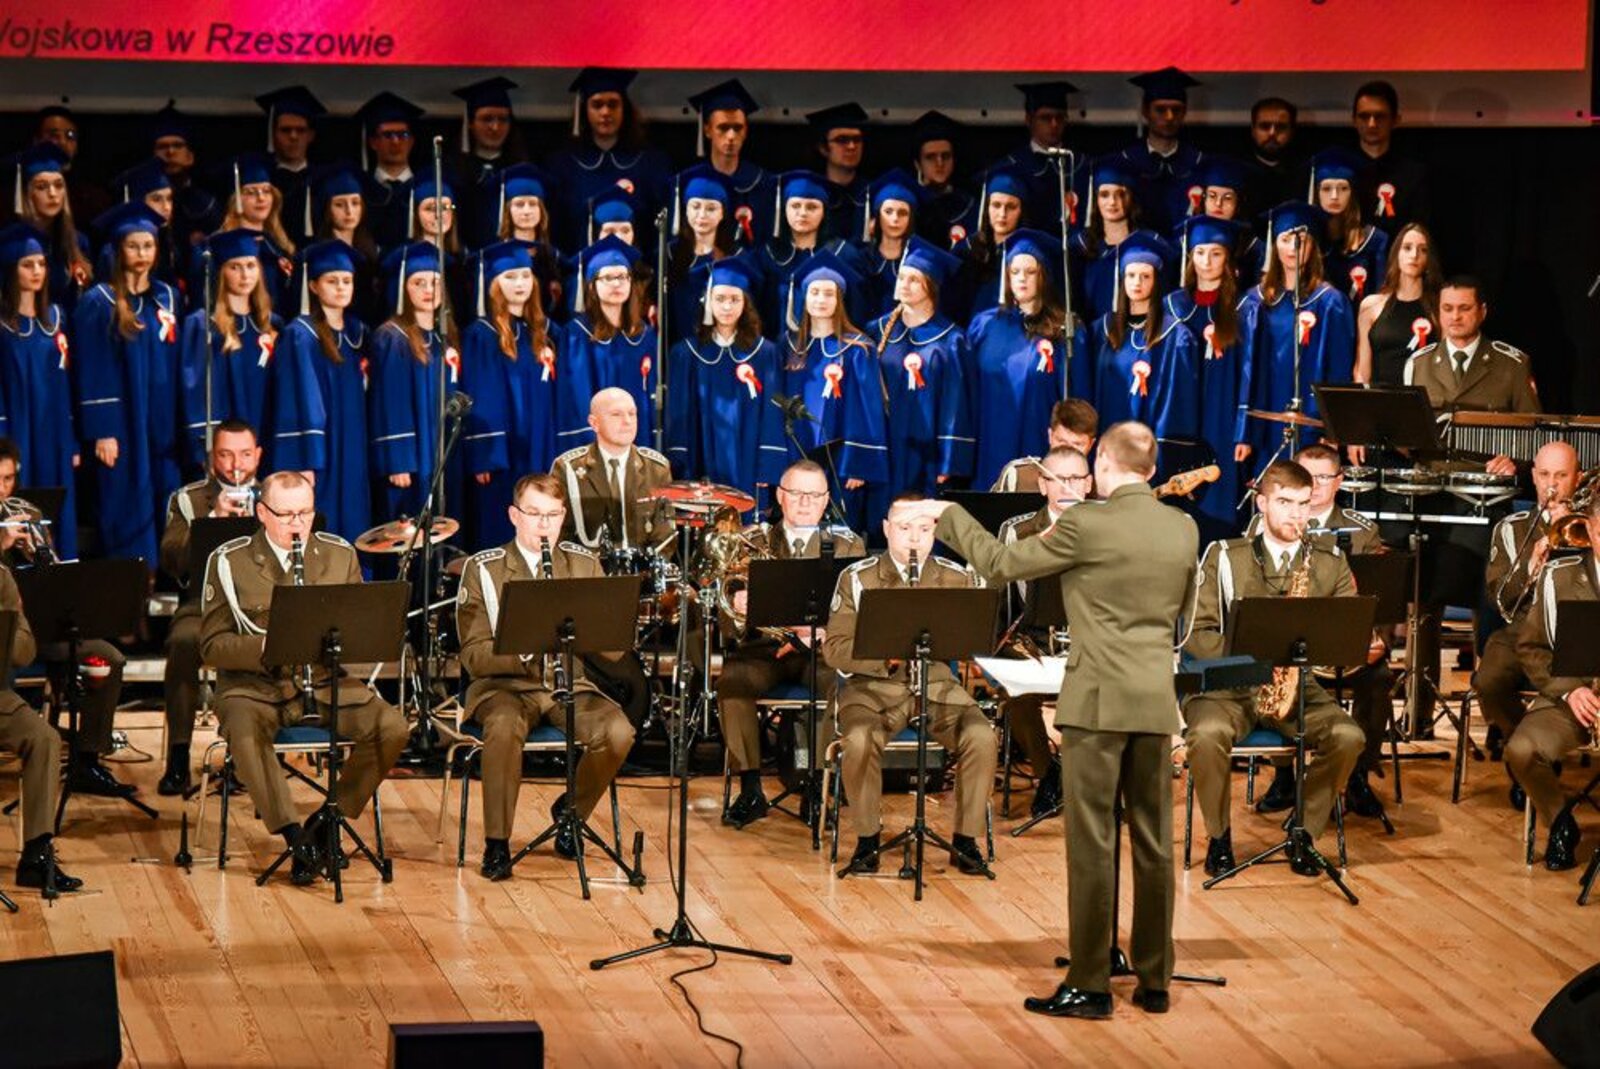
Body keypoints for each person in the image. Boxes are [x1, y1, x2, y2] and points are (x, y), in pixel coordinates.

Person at [915, 421, 1196, 1018]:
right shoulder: (1183, 527)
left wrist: (950, 516)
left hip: (1098, 700)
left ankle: (1091, 982)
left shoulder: (1087, 524)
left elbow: (1000, 562)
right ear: (1151, 469)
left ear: (1103, 465)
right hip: (1154, 699)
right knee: (1153, 842)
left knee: (1092, 841)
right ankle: (1154, 978)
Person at [199, 471, 409, 884]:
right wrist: (268, 646)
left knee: (393, 727)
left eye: (306, 513)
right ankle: (295, 838)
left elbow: (358, 631)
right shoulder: (229, 561)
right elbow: (210, 647)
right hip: (254, 687)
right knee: (244, 732)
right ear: (262, 512)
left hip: (325, 682)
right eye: (286, 514)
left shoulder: (338, 555)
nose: (298, 524)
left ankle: (327, 822)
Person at [1183, 460, 1366, 878]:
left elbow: (1343, 636)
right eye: (1285, 502)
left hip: (1298, 687)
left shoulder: (1329, 562)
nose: (1296, 515)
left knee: (1349, 736)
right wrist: (1252, 661)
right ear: (1262, 503)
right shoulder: (1224, 556)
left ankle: (1303, 830)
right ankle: (1219, 835)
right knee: (1207, 735)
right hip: (1227, 687)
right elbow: (1197, 634)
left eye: (1303, 504)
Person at [455, 472, 637, 877]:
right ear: (513, 516)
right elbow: (473, 655)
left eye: (553, 515)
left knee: (618, 732)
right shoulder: (484, 569)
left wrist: (612, 621)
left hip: (568, 684)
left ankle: (571, 811)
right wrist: (523, 647)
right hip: (504, 686)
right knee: (503, 728)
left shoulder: (583, 563)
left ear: (563, 516)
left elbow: (613, 647)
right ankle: (497, 843)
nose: (544, 525)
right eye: (534, 514)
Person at [825, 493, 997, 877]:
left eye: (924, 529)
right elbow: (834, 648)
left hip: (936, 687)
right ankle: (868, 838)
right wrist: (884, 657)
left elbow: (973, 639)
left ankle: (965, 840)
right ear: (886, 529)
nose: (914, 538)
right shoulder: (857, 577)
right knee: (859, 740)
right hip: (872, 689)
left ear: (936, 531)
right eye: (904, 528)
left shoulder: (956, 577)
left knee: (981, 736)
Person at [1402, 276, 1539, 732]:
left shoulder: (1511, 363)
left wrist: (1514, 460)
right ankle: (1418, 711)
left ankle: (1492, 709)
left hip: (1487, 502)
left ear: (1482, 311)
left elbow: (1532, 431)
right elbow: (1409, 435)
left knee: (1488, 601)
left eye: (1464, 308)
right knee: (1423, 599)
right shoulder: (1419, 362)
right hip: (1432, 498)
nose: (1455, 317)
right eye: (1447, 309)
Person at [1243, 444, 1393, 816]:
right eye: (1307, 476)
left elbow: (1374, 601)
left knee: (1379, 679)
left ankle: (1357, 773)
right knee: (1269, 676)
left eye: (1324, 477)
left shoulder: (1363, 531)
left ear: (1339, 481)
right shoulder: (1262, 525)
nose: (1314, 485)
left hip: (1337, 643)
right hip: (1282, 644)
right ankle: (1283, 775)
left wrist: (1369, 640)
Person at [717, 460, 865, 826]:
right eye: (796, 493)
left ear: (826, 500)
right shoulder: (752, 540)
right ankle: (750, 787)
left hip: (821, 650)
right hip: (764, 650)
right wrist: (738, 602)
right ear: (780, 496)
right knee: (732, 684)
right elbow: (725, 605)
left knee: (842, 686)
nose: (805, 502)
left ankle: (818, 786)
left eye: (814, 495)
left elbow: (857, 609)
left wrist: (823, 633)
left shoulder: (847, 544)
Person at [0, 437, 133, 800]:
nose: (3, 489)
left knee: (108, 658)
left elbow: (56, 578)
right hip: (5, 634)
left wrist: (39, 553)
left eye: (9, 479)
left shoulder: (26, 511)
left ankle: (86, 760)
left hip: (40, 625)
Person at [157, 420, 261, 795]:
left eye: (245, 455)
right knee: (184, 642)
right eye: (226, 455)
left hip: (260, 609)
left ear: (258, 455)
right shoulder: (188, 499)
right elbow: (172, 561)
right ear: (212, 457)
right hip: (203, 604)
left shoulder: (275, 494)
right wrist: (212, 519)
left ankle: (250, 755)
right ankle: (178, 756)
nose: (236, 464)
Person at [76, 202, 183, 564]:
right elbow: (93, 367)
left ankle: (166, 577)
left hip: (161, 419)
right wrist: (103, 430)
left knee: (164, 496)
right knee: (125, 499)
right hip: (122, 423)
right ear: (119, 249)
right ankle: (133, 581)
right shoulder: (100, 301)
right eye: (134, 246)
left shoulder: (166, 297)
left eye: (148, 245)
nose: (142, 253)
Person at [1477, 441, 1581, 797]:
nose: (1552, 484)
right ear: (1533, 476)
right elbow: (1498, 598)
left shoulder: (1591, 524)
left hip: (1579, 628)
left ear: (1577, 478)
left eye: (1562, 475)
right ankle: (1523, 751)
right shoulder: (1511, 528)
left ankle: (1540, 748)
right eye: (1545, 474)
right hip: (1523, 627)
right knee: (1488, 681)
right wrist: (1529, 567)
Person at [994, 444, 1092, 818]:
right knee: (1015, 690)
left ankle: (1102, 782)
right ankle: (1048, 772)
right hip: (1034, 642)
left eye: (1075, 479)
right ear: (1042, 485)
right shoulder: (1016, 531)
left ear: (1089, 484)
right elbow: (1000, 602)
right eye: (1058, 479)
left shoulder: (1110, 528)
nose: (1067, 487)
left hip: (1092, 644)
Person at [1511, 488, 1600, 871]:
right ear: (1590, 530)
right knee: (1522, 750)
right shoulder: (1557, 576)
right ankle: (1560, 822)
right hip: (1571, 697)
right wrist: (1570, 691)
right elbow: (1531, 647)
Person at [265, 238, 371, 543]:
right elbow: (295, 400)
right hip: (320, 450)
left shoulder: (357, 333)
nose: (341, 288)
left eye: (347, 281)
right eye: (332, 281)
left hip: (352, 444)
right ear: (313, 285)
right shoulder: (301, 335)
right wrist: (304, 460)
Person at [774, 252, 887, 528]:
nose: (821, 300)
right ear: (804, 297)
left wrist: (858, 462)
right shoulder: (788, 346)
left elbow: (868, 411)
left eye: (828, 294)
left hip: (841, 459)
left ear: (839, 300)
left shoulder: (859, 348)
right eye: (815, 293)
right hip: (796, 448)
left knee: (838, 529)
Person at [462, 239, 562, 547]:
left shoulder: (543, 331)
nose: (520, 284)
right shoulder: (482, 334)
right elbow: (480, 396)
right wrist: (485, 455)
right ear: (494, 284)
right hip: (503, 453)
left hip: (539, 441)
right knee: (503, 522)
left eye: (525, 276)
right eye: (510, 277)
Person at [1239, 201, 1355, 461]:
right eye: (1285, 239)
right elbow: (1246, 369)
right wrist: (1244, 431)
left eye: (1301, 240)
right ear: (1274, 244)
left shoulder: (1330, 302)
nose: (1293, 247)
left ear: (1313, 246)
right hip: (1267, 414)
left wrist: (1333, 427)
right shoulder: (1256, 302)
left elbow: (1340, 368)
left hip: (1312, 418)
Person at [968, 229, 1084, 489]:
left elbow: (1078, 397)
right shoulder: (984, 326)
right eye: (1015, 271)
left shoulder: (1065, 330)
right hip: (990, 445)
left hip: (1040, 446)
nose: (1021, 278)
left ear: (1044, 275)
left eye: (1030, 272)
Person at [665, 255, 781, 497]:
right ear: (707, 301)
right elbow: (678, 414)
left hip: (748, 459)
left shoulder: (764, 353)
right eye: (719, 299)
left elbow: (772, 413)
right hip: (700, 456)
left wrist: (768, 465)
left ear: (745, 303)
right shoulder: (687, 353)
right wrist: (678, 461)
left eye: (735, 299)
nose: (727, 307)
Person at [868, 237, 972, 508]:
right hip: (886, 443)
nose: (904, 284)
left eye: (914, 279)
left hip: (928, 451)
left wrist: (949, 458)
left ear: (932, 285)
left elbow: (956, 404)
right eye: (902, 277)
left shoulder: (952, 340)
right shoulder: (876, 331)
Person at [0, 557, 82, 891]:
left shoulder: (2, 578)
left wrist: (10, 619)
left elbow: (24, 652)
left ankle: (36, 856)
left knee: (44, 738)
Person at [0, 222, 79, 559]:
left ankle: (59, 564)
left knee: (58, 501)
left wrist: (72, 440)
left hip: (54, 429)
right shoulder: (4, 326)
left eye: (41, 264)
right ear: (11, 269)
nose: (36, 271)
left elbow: (66, 383)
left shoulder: (56, 318)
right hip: (20, 426)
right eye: (27, 264)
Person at [1167, 214, 1249, 540]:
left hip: (1222, 411)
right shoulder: (1173, 306)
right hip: (1182, 412)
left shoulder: (1242, 308)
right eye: (1200, 253)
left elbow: (1247, 368)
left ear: (1227, 258)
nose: (1207, 261)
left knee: (1219, 488)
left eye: (1216, 254)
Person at [369, 241, 461, 519]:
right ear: (403, 288)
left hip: (439, 448)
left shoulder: (443, 337)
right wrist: (398, 460)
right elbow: (390, 402)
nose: (428, 290)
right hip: (411, 457)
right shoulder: (392, 337)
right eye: (418, 283)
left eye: (435, 282)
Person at [179, 228, 278, 470]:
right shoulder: (204, 325)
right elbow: (197, 393)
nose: (245, 275)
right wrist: (206, 450)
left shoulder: (271, 325)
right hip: (226, 450)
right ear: (221, 272)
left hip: (266, 438)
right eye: (235, 267)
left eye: (251, 266)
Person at [545, 68, 673, 253]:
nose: (605, 112)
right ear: (584, 110)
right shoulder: (563, 165)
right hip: (577, 263)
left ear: (624, 109)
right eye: (597, 105)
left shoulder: (650, 163)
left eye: (613, 104)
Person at [1090, 231, 1198, 442]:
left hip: (1151, 445)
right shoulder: (1102, 331)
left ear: (1156, 280)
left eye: (1145, 276)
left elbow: (1179, 406)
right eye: (1131, 275)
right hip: (1108, 441)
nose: (1137, 282)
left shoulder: (1175, 336)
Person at [557, 235, 658, 447]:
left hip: (638, 441)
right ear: (592, 286)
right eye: (608, 278)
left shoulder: (644, 335)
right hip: (596, 444)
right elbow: (576, 397)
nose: (617, 283)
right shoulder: (577, 334)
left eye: (623, 276)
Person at [552, 388, 673, 551]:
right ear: (594, 423)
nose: (627, 421)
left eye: (632, 414)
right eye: (616, 414)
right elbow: (558, 533)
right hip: (586, 565)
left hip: (643, 565)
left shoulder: (657, 468)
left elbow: (665, 536)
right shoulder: (568, 468)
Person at [755, 170, 863, 333]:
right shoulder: (768, 256)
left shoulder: (843, 254)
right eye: (795, 206)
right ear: (784, 209)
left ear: (824, 212)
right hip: (779, 343)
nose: (803, 213)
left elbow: (856, 311)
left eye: (812, 207)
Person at [681, 79, 774, 248]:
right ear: (707, 130)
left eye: (738, 128)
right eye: (723, 128)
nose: (731, 136)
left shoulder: (763, 183)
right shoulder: (687, 182)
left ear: (746, 131)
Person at [1355, 221, 1441, 389]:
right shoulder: (1371, 306)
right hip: (1379, 400)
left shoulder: (1438, 307)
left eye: (1423, 250)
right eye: (1407, 248)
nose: (1414, 255)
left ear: (1428, 259)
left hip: (1423, 400)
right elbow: (1362, 371)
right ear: (1397, 254)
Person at [1118, 67, 1205, 234]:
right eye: (1160, 109)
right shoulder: (1126, 161)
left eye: (1176, 109)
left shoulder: (1198, 163)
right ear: (1145, 111)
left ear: (1185, 112)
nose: (1169, 117)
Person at [210, 153, 298, 314]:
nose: (261, 198)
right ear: (236, 199)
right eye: (251, 192)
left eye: (266, 191)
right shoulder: (220, 246)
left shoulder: (279, 244)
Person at [989, 81, 1080, 233]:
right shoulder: (1010, 166)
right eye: (1045, 118)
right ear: (1028, 119)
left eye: (1060, 117)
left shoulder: (1080, 164)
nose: (1054, 124)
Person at [13, 144, 93, 315]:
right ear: (27, 193)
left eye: (58, 185)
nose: (52, 193)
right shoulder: (12, 243)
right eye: (42, 187)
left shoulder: (79, 243)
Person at [662, 167, 736, 344]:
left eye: (711, 208)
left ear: (722, 213)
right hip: (678, 347)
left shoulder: (735, 257)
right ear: (685, 210)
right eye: (695, 206)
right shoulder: (668, 255)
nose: (702, 215)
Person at [450, 76, 525, 249]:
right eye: (487, 119)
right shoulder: (453, 171)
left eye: (503, 119)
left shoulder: (520, 170)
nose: (495, 127)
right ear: (470, 123)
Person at [1309, 148, 1390, 307]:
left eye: (1343, 188)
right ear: (1316, 193)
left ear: (1352, 193)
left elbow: (1380, 299)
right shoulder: (1307, 243)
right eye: (1326, 188)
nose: (1334, 196)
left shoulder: (1374, 241)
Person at [1350, 81, 1431, 238]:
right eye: (1364, 116)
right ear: (1353, 120)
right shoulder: (1339, 171)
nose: (1372, 124)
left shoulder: (1414, 175)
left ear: (1395, 120)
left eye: (1380, 116)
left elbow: (1419, 231)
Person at [1070, 157, 1141, 324]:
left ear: (1131, 197)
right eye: (1104, 195)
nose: (1112, 202)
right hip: (1090, 331)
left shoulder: (1145, 245)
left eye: (1120, 194)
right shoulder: (1079, 246)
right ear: (1095, 199)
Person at [148, 103, 222, 264]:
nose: (170, 152)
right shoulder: (142, 204)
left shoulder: (206, 205)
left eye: (177, 145)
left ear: (190, 156)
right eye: (162, 147)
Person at [255, 85, 326, 250]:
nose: (293, 136)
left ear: (311, 135)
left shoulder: (323, 180)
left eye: (300, 130)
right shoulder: (261, 179)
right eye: (285, 130)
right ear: (273, 133)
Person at [355, 91, 425, 253]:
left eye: (403, 135)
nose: (395, 141)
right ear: (373, 142)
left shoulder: (424, 189)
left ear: (412, 141)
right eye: (387, 135)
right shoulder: (361, 190)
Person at [489, 164, 564, 318]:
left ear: (541, 210)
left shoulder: (555, 258)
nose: (527, 211)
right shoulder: (495, 256)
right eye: (519, 204)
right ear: (507, 210)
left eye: (533, 204)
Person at [855, 169, 921, 321]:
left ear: (911, 219)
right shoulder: (862, 260)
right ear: (877, 216)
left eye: (903, 213)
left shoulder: (919, 261)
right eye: (888, 211)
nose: (895, 219)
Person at [909, 110, 978, 251]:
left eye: (946, 156)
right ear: (917, 164)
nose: (939, 163)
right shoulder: (907, 205)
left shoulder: (969, 206)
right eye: (930, 157)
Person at [806, 103, 871, 237]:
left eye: (857, 139)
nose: (852, 146)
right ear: (823, 148)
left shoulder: (872, 193)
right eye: (842, 140)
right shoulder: (808, 194)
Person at [1244, 97, 1302, 213]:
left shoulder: (1304, 173)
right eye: (1265, 126)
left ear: (1291, 131)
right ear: (1253, 130)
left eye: (1281, 127)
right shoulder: (1238, 172)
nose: (1272, 133)